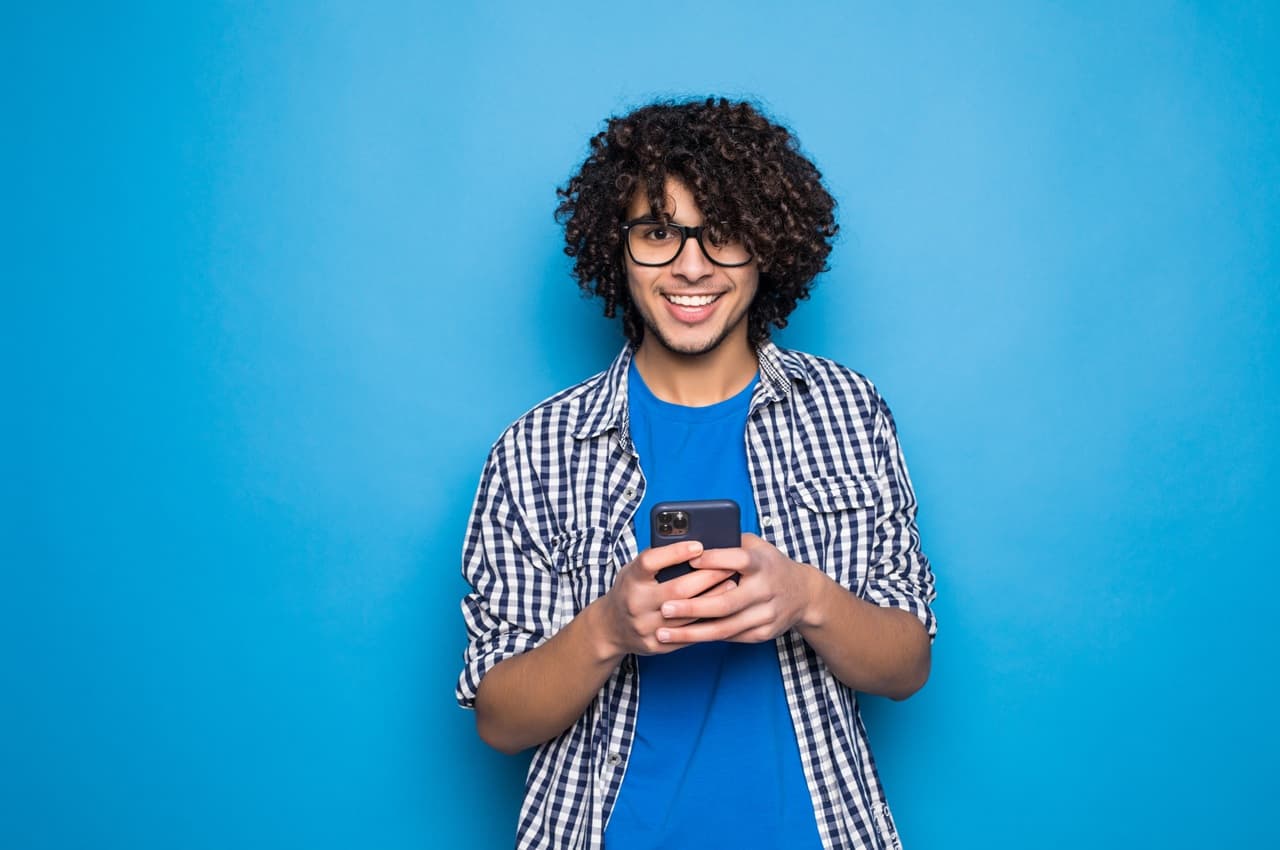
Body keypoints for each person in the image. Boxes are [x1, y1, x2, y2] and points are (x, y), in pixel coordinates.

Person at [457, 97, 936, 850]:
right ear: (617, 249)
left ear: (768, 245)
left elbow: (907, 663)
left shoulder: (848, 410)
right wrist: (607, 629)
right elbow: (498, 719)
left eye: (721, 234)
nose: (691, 265)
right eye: (658, 233)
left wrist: (808, 598)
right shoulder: (536, 449)